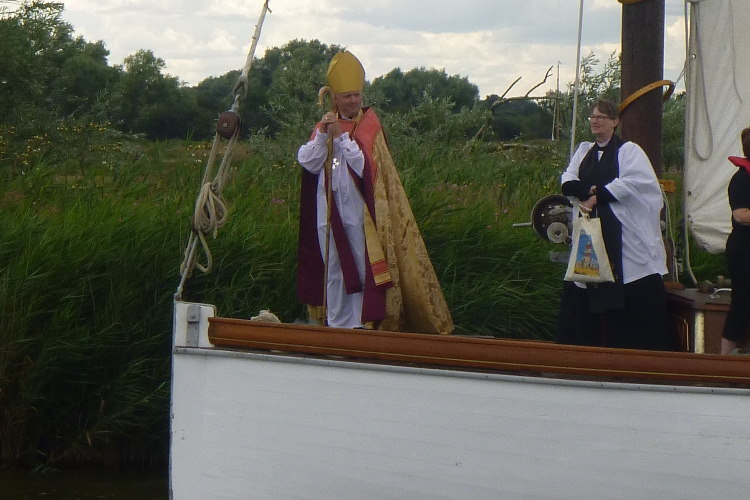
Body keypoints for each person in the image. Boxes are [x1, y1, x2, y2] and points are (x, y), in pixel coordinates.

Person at [296, 50, 453, 334]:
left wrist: (342, 139)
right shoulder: (324, 126)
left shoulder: (369, 126)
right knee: (331, 262)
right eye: (347, 97)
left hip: (359, 207)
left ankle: (360, 320)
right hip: (327, 205)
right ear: (335, 98)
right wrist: (323, 136)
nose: (354, 101)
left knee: (358, 259)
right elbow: (308, 162)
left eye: (357, 95)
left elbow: (363, 166)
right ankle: (335, 320)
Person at [557, 99, 672, 350]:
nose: (595, 121)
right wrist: (588, 191)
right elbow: (568, 180)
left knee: (627, 283)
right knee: (584, 285)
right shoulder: (584, 151)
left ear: (615, 122)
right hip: (590, 231)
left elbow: (636, 182)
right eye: (592, 117)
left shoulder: (629, 151)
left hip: (622, 232)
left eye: (602, 117)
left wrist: (598, 197)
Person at [720, 127, 750, 354]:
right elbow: (740, 215)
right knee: (742, 302)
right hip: (744, 249)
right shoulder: (741, 179)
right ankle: (725, 360)